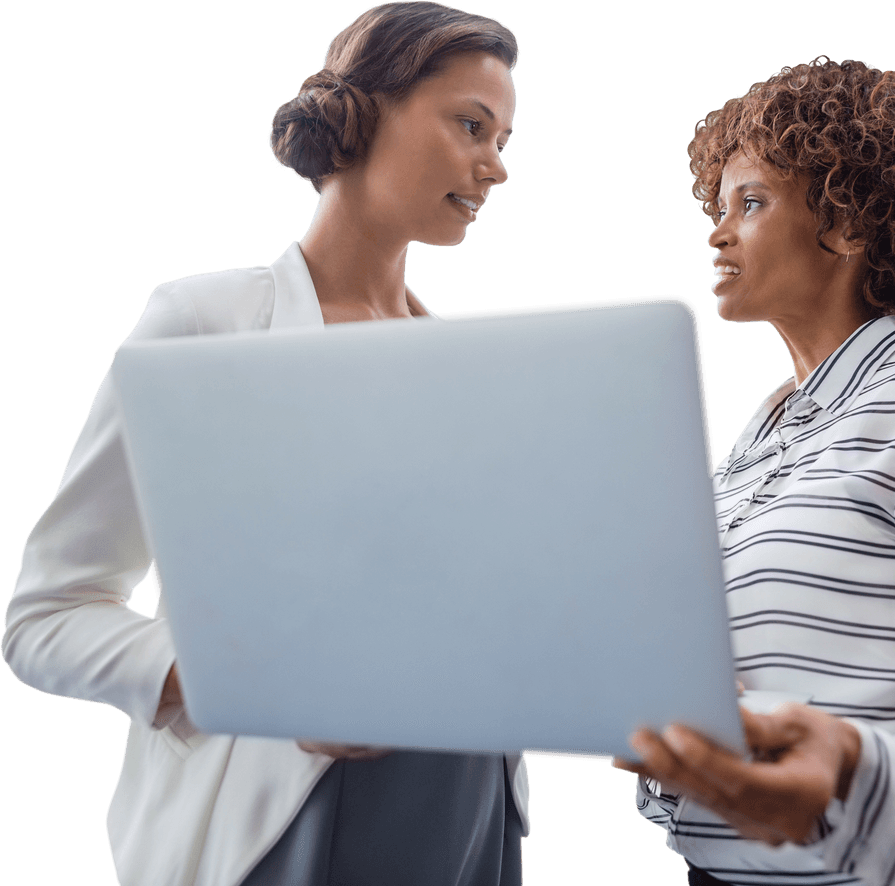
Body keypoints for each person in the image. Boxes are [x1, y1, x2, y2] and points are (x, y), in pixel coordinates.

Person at [1, 3, 527, 885]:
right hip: (286, 827)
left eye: (504, 137)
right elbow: (43, 619)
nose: (497, 165)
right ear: (365, 113)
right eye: (472, 125)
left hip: (473, 818)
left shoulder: (477, 371)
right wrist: (255, 687)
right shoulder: (203, 324)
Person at [615, 57, 895, 886]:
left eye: (750, 204)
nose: (716, 234)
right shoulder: (751, 444)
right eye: (717, 210)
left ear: (850, 224)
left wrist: (849, 772)